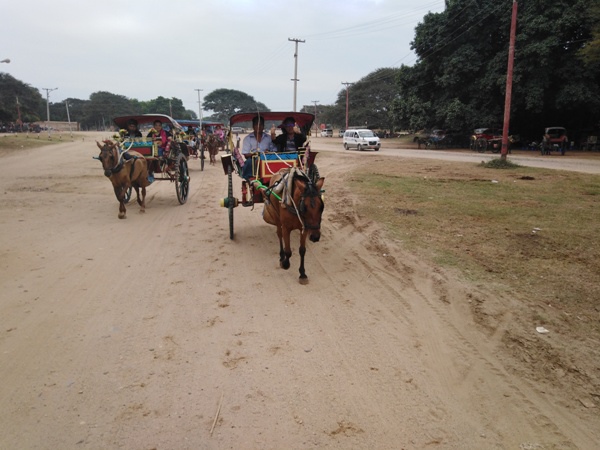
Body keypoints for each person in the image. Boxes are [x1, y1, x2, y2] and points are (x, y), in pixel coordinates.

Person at [241, 114, 275, 179]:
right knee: (249, 162)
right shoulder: (247, 139)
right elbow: (246, 155)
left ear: (263, 126)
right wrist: (254, 154)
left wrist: (268, 152)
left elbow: (275, 150)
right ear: (253, 126)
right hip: (253, 161)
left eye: (261, 124)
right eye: (257, 124)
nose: (259, 126)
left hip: (267, 160)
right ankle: (249, 178)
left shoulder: (269, 138)